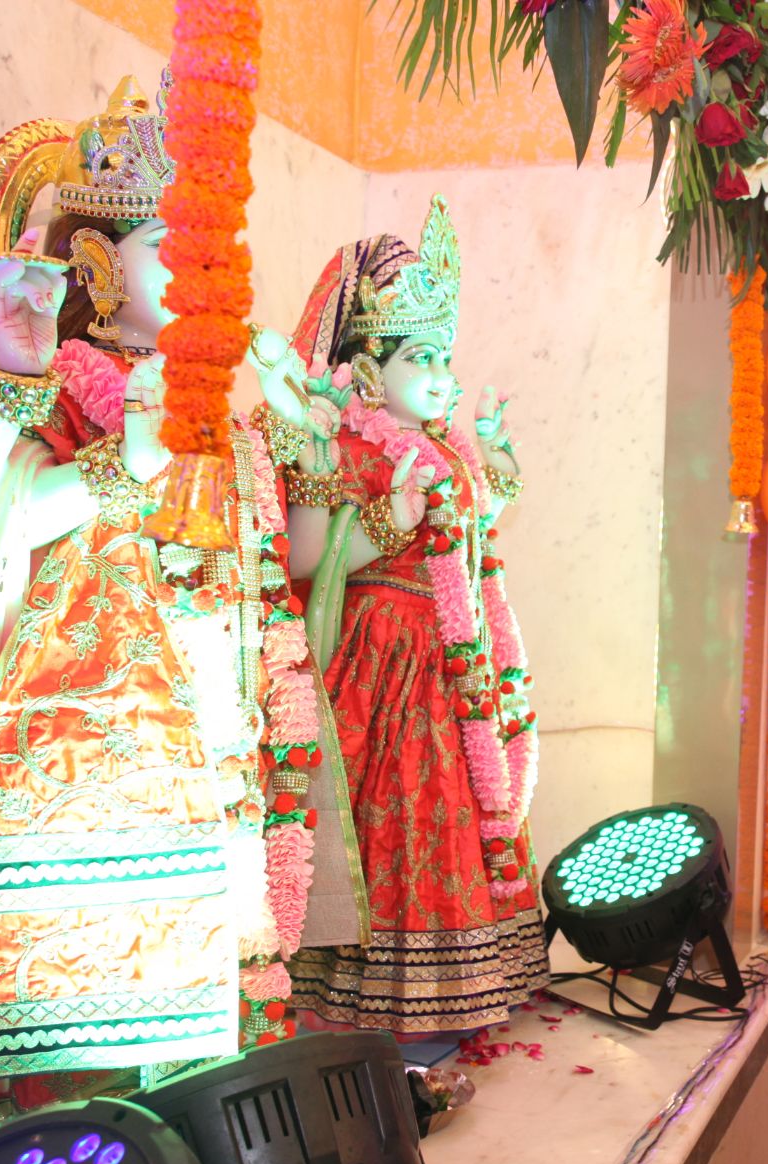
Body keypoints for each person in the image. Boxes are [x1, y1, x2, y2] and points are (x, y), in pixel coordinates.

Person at [0, 74, 350, 1127]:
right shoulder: (61, 377)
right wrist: (59, 415)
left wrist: (313, 454)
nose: (204, 272)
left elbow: (277, 567)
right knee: (106, 1009)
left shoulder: (222, 415)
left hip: (221, 749)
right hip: (98, 759)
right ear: (96, 263)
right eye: (170, 248)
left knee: (219, 985)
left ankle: (219, 1150)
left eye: (213, 253)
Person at [275, 199, 548, 1035]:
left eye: (445, 356)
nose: (441, 374)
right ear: (367, 371)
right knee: (400, 813)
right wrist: (387, 520)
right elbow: (304, 558)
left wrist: (495, 458)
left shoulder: (448, 448)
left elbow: (474, 528)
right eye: (420, 356)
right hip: (385, 661)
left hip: (454, 660)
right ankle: (386, 1000)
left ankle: (455, 992)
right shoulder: (345, 445)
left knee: (463, 806)